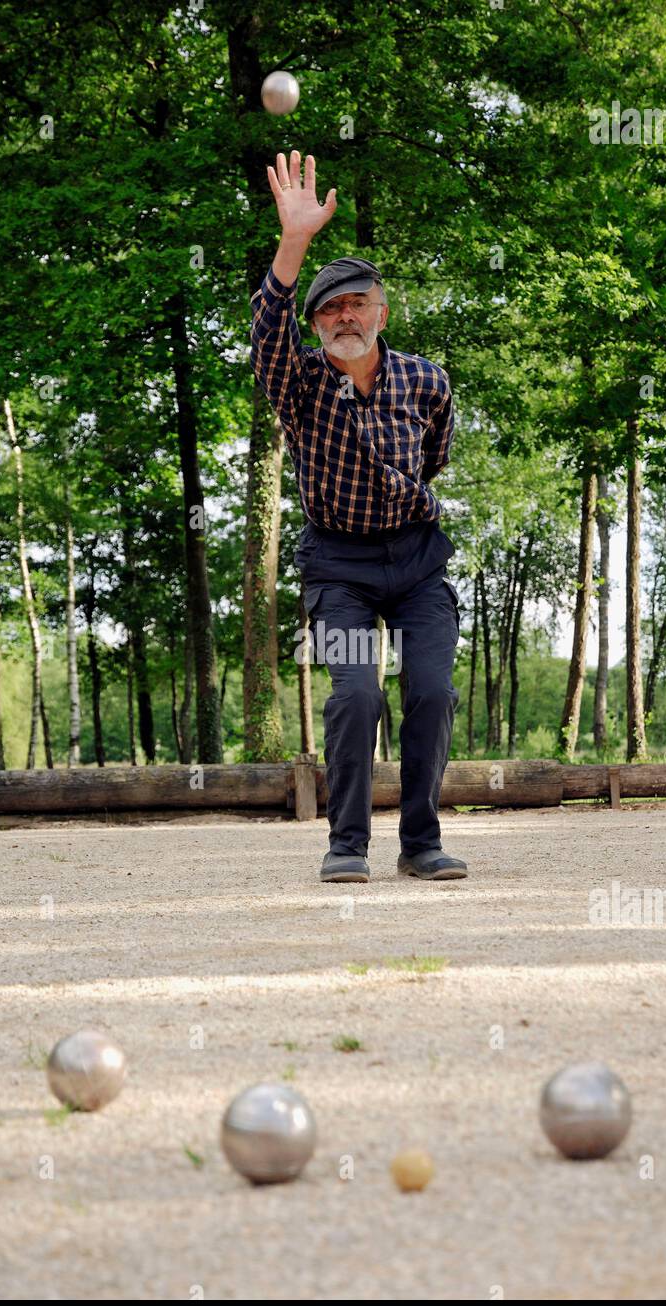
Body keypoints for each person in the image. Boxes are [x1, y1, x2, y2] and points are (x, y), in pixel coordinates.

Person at [250, 149, 467, 885]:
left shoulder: (426, 382)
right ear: (315, 324)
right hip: (337, 564)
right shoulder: (299, 382)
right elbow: (264, 327)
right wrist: (294, 242)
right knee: (357, 693)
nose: (344, 316)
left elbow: (433, 456)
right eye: (329, 308)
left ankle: (421, 843)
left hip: (416, 559)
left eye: (356, 303)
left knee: (432, 691)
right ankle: (346, 845)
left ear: (381, 311)